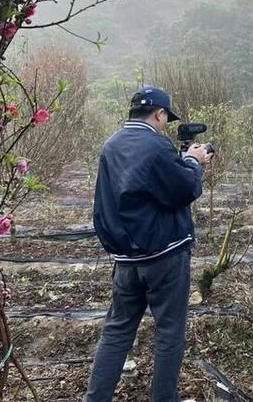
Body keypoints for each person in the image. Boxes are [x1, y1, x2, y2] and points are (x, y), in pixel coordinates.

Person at [84, 86, 212, 402]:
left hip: (126, 259)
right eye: (166, 118)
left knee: (116, 331)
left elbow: (110, 200)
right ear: (159, 114)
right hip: (164, 256)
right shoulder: (157, 146)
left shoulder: (111, 145)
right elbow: (182, 189)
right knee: (169, 332)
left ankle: (94, 398)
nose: (165, 124)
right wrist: (194, 162)